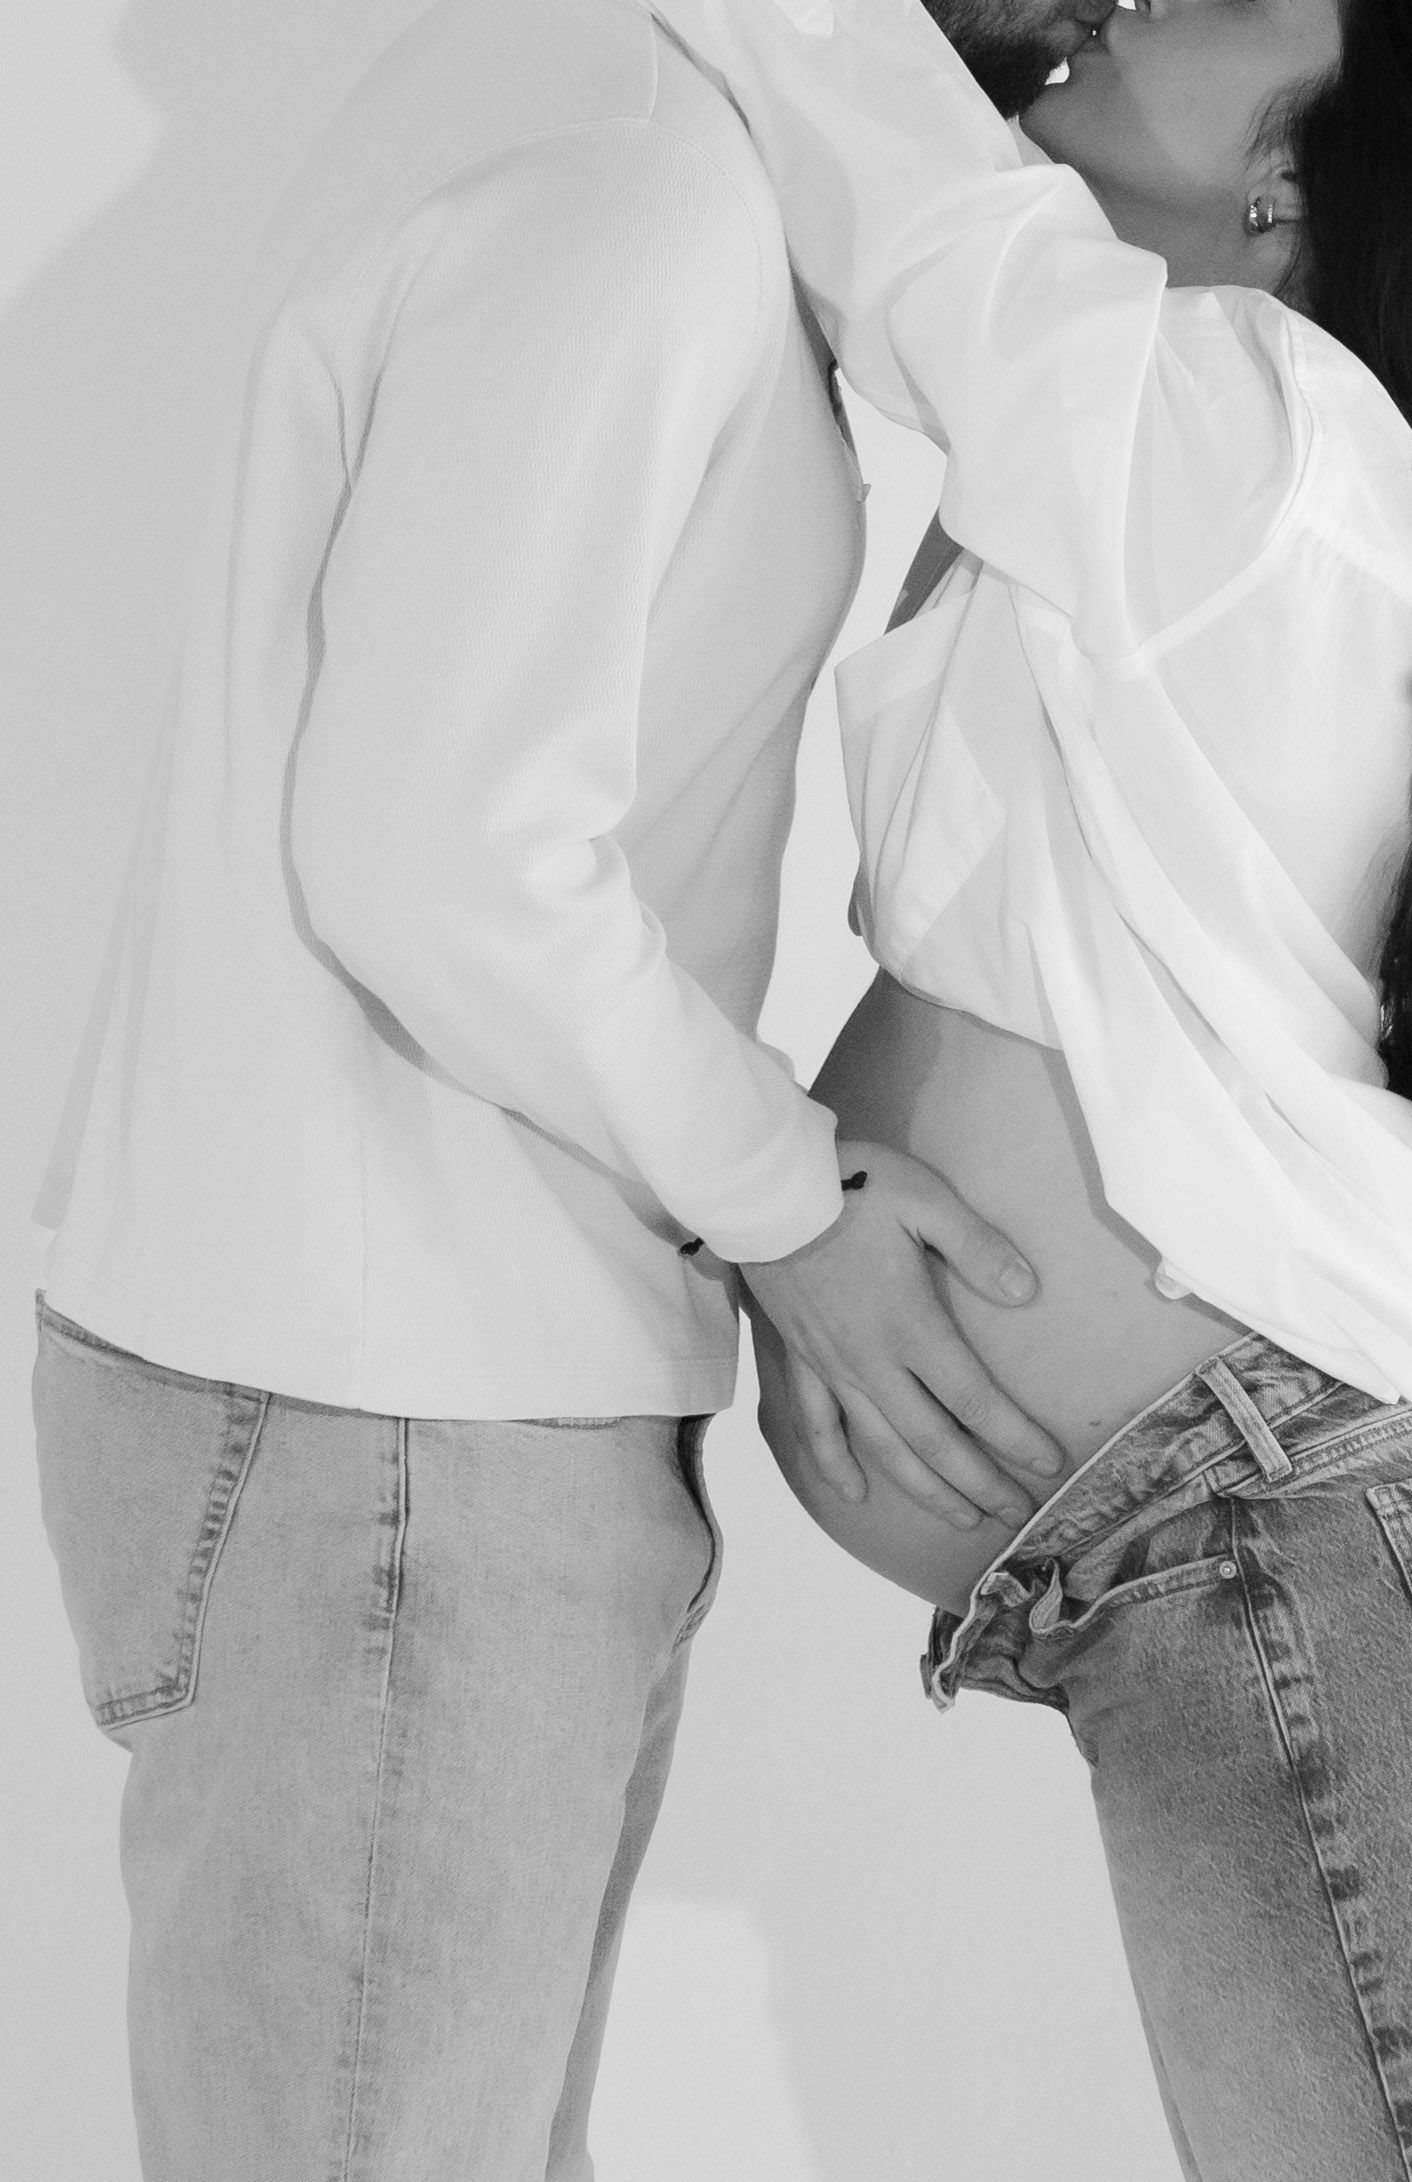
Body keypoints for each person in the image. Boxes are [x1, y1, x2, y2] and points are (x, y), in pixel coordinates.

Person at [26, 0, 1112, 2174]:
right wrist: (789, 1199)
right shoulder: (634, 177)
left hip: (411, 1404)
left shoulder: (607, 109)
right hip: (401, 1428)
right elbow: (436, 850)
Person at [652, 0, 1412, 2175]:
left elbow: (873, 150)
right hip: (1294, 1555)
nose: (1128, 2)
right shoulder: (1197, 476)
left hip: (1310, 1547)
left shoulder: (1257, 423)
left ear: (1301, 167)